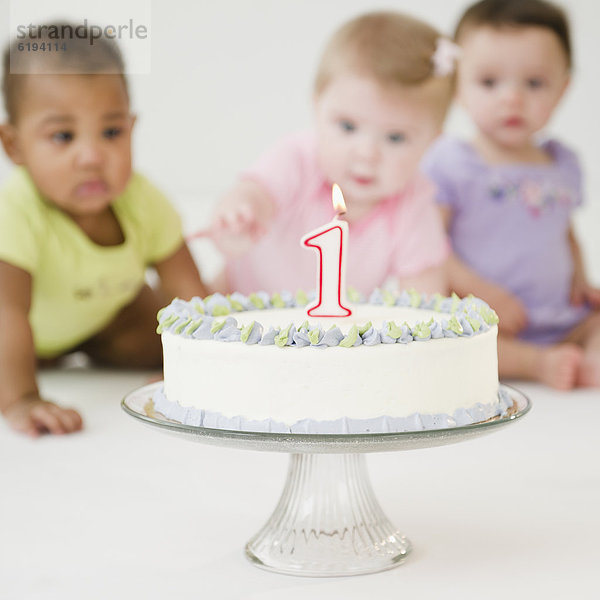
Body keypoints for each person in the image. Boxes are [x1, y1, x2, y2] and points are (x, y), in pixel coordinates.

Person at [0, 24, 207, 437]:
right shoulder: (16, 211)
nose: (92, 156)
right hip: (18, 328)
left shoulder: (143, 201)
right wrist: (21, 399)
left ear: (132, 127)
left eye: (111, 132)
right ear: (15, 145)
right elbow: (8, 312)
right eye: (63, 136)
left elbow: (188, 290)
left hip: (99, 320)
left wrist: (197, 371)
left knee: (160, 326)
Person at [208, 11, 457, 298]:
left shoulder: (414, 205)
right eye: (348, 126)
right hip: (238, 308)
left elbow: (423, 297)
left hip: (328, 337)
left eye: (395, 137)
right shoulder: (297, 159)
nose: (367, 153)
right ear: (317, 108)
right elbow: (255, 192)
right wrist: (241, 214)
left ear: (432, 142)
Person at [422, 0, 600, 389]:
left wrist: (582, 280)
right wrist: (481, 292)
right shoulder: (453, 161)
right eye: (489, 82)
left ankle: (585, 356)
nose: (512, 99)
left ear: (562, 88)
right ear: (458, 86)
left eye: (534, 83)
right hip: (489, 316)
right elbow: (429, 243)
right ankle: (537, 364)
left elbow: (564, 230)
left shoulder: (561, 162)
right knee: (461, 344)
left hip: (558, 316)